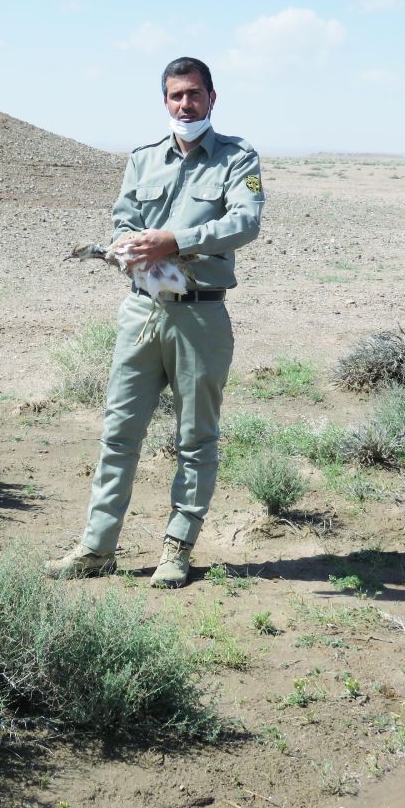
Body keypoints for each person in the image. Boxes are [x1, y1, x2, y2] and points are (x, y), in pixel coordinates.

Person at [45, 57, 264, 588]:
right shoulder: (144, 159)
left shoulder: (237, 158)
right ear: (164, 101)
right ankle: (97, 548)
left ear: (212, 98)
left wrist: (176, 241)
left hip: (200, 316)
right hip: (142, 311)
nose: (184, 105)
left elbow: (245, 221)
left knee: (195, 439)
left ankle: (177, 549)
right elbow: (124, 215)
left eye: (193, 94)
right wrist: (128, 243)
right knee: (119, 433)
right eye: (175, 96)